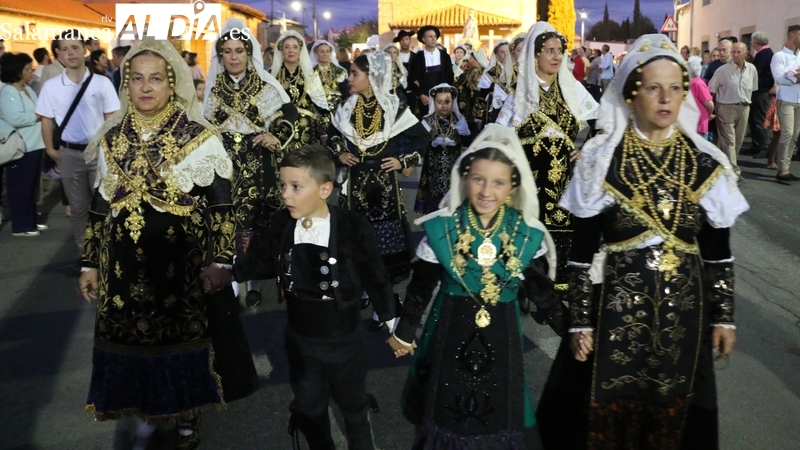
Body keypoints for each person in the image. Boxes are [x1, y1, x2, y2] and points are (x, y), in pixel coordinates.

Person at [540, 33, 749, 449]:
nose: (665, 98)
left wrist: (723, 316)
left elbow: (718, 254)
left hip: (684, 324)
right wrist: (580, 321)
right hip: (614, 321)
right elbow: (580, 257)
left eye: (675, 87)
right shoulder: (601, 160)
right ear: (632, 93)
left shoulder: (706, 164)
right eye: (654, 87)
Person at [78, 37, 258, 450]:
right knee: (132, 341)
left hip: (180, 268)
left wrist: (222, 261)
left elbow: (223, 206)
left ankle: (186, 414)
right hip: (123, 270)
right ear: (126, 85)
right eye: (136, 79)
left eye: (155, 79)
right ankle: (142, 410)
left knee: (180, 340)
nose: (145, 87)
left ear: (172, 83)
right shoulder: (112, 138)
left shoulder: (198, 136)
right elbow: (100, 205)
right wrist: (89, 262)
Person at [390, 124, 561, 449]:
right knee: (449, 404)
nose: (486, 191)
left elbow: (543, 293)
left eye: (498, 182)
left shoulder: (523, 233)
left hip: (502, 333)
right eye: (479, 179)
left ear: (511, 187)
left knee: (499, 403)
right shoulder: (444, 227)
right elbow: (421, 287)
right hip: (452, 326)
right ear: (465, 179)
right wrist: (405, 331)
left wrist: (572, 330)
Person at [228, 145, 396, 450]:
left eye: (295, 187)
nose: (285, 194)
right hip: (301, 336)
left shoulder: (350, 225)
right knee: (309, 405)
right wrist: (229, 272)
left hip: (344, 337)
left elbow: (375, 274)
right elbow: (264, 260)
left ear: (324, 189)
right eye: (282, 185)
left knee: (352, 404)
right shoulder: (282, 223)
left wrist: (392, 320)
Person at [496, 22, 599, 296]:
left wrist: (587, 148)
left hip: (564, 179)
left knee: (565, 231)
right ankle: (531, 288)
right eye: (549, 51)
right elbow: (497, 138)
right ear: (535, 56)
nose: (556, 57)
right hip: (529, 181)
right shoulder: (519, 95)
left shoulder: (572, 88)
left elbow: (603, 122)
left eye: (560, 51)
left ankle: (558, 291)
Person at [204, 19, 297, 307]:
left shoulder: (264, 83)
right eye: (228, 52)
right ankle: (231, 279)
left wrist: (275, 135)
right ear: (221, 56)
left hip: (260, 165)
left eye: (239, 51)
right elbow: (202, 124)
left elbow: (289, 114)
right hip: (225, 166)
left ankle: (255, 282)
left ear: (249, 54)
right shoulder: (214, 87)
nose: (233, 57)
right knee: (228, 222)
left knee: (259, 223)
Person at [328, 52, 427, 286]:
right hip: (354, 184)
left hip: (384, 187)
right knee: (355, 238)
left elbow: (421, 138)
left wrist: (402, 161)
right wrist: (339, 154)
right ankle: (362, 290)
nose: (349, 79)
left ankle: (384, 297)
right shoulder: (346, 107)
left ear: (372, 77)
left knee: (385, 243)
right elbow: (332, 134)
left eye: (354, 74)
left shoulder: (394, 107)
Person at [35, 30, 120, 255]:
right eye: (65, 49)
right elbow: (46, 121)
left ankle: (108, 252)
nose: (71, 53)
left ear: (85, 50)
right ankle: (87, 255)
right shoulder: (51, 86)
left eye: (75, 47)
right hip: (69, 153)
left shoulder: (102, 83)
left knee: (104, 204)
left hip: (99, 152)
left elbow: (111, 119)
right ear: (58, 54)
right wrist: (51, 150)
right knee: (78, 208)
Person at [0, 53, 47, 236]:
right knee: (20, 186)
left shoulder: (26, 88)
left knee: (31, 185)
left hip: (34, 143)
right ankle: (21, 225)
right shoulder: (9, 91)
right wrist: (38, 116)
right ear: (17, 71)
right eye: (27, 69)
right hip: (22, 145)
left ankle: (32, 220)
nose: (31, 72)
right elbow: (15, 117)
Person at [414, 83, 471, 214]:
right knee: (434, 205)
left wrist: (464, 132)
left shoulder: (459, 120)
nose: (444, 105)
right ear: (433, 102)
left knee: (453, 205)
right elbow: (418, 144)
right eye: (439, 102)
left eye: (447, 101)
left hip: (454, 170)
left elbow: (469, 143)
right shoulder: (427, 121)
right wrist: (430, 142)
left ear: (453, 102)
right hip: (433, 171)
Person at [271, 30, 330, 151]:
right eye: (287, 47)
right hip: (281, 126)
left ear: (300, 51)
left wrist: (325, 129)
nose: (291, 50)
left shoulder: (310, 74)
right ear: (281, 51)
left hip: (307, 127)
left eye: (295, 47)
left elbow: (320, 103)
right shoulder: (273, 75)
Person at [708, 42, 758, 178]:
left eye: (739, 52)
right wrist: (710, 110)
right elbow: (710, 91)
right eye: (733, 52)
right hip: (725, 107)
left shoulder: (752, 69)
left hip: (744, 107)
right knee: (729, 141)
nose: (735, 55)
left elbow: (753, 89)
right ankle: (734, 172)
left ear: (746, 54)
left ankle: (725, 167)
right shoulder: (722, 71)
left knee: (738, 140)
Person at [771, 24, 800, 182]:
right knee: (787, 133)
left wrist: (794, 76)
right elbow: (780, 78)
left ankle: (786, 167)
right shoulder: (779, 56)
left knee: (795, 135)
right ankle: (782, 169)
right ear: (793, 36)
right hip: (786, 99)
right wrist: (795, 78)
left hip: (799, 99)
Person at [408, 26, 454, 119]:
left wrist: (445, 94)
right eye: (430, 36)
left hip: (443, 97)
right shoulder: (417, 57)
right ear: (423, 39)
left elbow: (449, 76)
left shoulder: (444, 56)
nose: (433, 39)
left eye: (434, 36)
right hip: (425, 99)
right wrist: (421, 95)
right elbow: (412, 79)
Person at [746, 31, 775, 156]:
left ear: (756, 42)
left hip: (761, 91)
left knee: (759, 120)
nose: (751, 44)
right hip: (761, 90)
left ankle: (761, 146)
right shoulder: (766, 53)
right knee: (755, 119)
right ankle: (756, 145)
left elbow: (755, 72)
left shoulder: (763, 54)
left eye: (752, 41)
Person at [477, 40, 512, 124]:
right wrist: (478, 117)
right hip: (495, 109)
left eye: (507, 52)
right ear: (497, 54)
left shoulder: (516, 71)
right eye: (502, 52)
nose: (505, 55)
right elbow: (482, 95)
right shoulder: (491, 72)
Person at [311, 40, 349, 113]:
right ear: (316, 53)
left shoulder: (339, 71)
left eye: (327, 51)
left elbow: (345, 93)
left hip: (337, 111)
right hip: (317, 111)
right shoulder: (311, 71)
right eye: (322, 51)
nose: (325, 54)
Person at [455, 49, 489, 132]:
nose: (469, 61)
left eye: (471, 59)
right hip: (468, 104)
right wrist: (461, 100)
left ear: (477, 59)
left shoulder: (485, 73)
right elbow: (463, 87)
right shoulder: (469, 72)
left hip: (479, 104)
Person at [688, 55, 715, 139]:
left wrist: (708, 114)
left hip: (699, 124)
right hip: (690, 123)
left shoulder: (698, 83)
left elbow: (709, 104)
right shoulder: (689, 83)